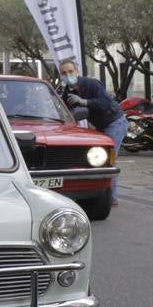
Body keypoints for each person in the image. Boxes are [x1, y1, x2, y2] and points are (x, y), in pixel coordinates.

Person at [58, 58, 125, 205]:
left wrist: (84, 102)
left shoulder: (91, 84)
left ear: (77, 71)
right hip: (99, 126)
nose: (68, 75)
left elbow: (106, 102)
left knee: (107, 159)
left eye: (70, 71)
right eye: (64, 73)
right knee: (96, 160)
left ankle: (111, 198)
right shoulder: (66, 93)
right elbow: (67, 113)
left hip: (114, 122)